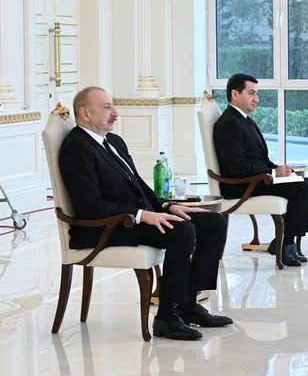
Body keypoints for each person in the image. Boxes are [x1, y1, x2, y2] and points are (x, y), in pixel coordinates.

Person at [58, 86, 231, 341]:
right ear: (84, 113)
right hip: (105, 227)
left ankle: (187, 305)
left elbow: (138, 185)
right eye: (106, 107)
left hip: (131, 219)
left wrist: (166, 206)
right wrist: (142, 215)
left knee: (214, 222)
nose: (115, 112)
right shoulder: (76, 148)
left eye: (112, 105)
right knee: (182, 231)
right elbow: (90, 207)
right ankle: (165, 318)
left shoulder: (113, 141)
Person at [213, 73, 308, 267]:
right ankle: (285, 245)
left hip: (256, 179)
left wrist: (278, 169)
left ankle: (285, 241)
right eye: (251, 93)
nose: (257, 99)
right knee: (303, 188)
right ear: (235, 94)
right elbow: (236, 167)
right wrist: (272, 174)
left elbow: (259, 158)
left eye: (257, 93)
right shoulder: (229, 124)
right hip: (242, 185)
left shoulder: (243, 120)